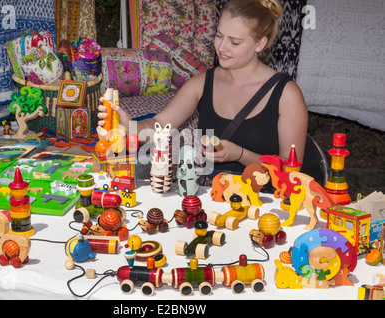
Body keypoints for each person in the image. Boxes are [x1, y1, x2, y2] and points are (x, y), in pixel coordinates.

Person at [97, 0, 308, 183]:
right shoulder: (202, 83)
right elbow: (160, 125)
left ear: (260, 43)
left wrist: (241, 154)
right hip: (211, 197)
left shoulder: (287, 95)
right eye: (219, 35)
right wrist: (129, 127)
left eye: (234, 42)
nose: (222, 47)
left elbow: (290, 172)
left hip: (265, 200)